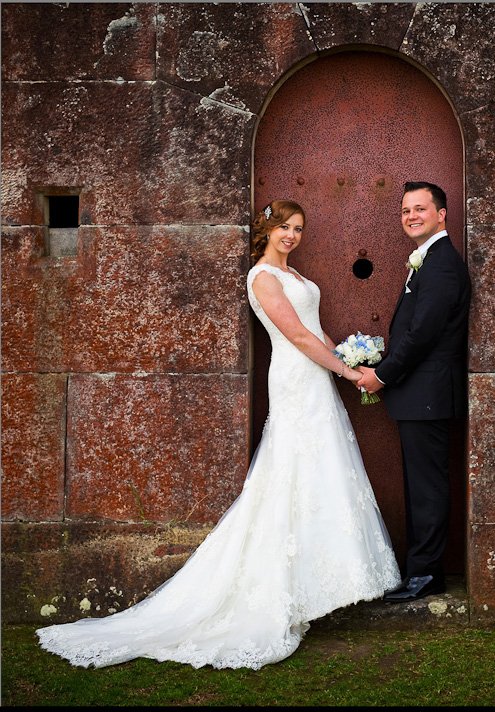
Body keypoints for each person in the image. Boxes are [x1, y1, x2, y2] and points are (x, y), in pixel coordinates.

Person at [36, 200, 401, 670]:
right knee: (288, 474)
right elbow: (298, 337)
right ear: (265, 230)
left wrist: (349, 359)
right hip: (294, 377)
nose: (290, 235)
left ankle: (312, 585)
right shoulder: (263, 278)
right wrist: (348, 376)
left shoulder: (297, 278)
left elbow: (319, 333)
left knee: (320, 472)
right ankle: (274, 591)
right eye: (282, 227)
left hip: (316, 379)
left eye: (298, 228)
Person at [357, 182, 471, 602]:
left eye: (420, 208)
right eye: (405, 210)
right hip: (421, 397)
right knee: (422, 485)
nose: (411, 216)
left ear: (442, 214)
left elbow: (423, 334)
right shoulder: (427, 261)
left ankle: (425, 574)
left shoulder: (440, 265)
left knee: (427, 488)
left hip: (427, 396)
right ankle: (422, 571)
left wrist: (382, 375)